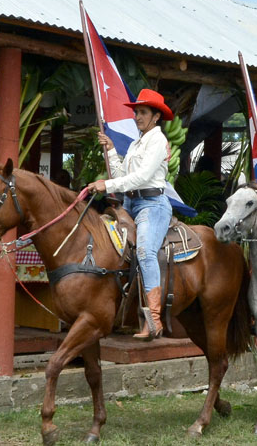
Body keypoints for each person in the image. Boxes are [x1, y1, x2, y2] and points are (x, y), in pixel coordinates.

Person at [86, 88, 173, 340]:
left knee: (145, 253)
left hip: (152, 204)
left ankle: (154, 320)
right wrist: (112, 151)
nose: (137, 116)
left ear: (156, 117)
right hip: (130, 205)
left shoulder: (157, 140)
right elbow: (123, 177)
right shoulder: (137, 143)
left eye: (143, 112)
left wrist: (107, 185)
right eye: (136, 112)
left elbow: (143, 177)